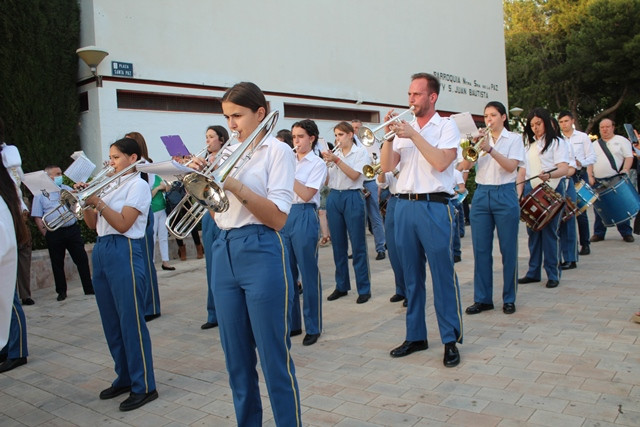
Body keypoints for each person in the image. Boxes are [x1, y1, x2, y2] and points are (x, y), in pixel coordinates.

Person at [206, 82, 300, 426]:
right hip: (223, 249)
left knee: (274, 359)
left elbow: (277, 218)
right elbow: (218, 210)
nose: (231, 124)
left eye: (237, 116)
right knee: (236, 360)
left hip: (260, 248)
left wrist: (235, 185)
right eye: (227, 117)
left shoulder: (278, 151)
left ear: (260, 113)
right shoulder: (229, 151)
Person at [379, 73, 463, 367]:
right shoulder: (406, 128)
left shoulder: (446, 125)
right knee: (411, 277)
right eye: (409, 94)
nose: (411, 100)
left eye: (416, 94)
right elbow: (388, 167)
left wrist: (414, 135)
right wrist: (388, 138)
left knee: (442, 275)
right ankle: (416, 335)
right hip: (403, 205)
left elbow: (441, 162)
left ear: (432, 97)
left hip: (433, 205)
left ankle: (450, 339)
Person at [83, 137, 158, 411]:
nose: (110, 162)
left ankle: (145, 385)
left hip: (125, 249)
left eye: (116, 157)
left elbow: (125, 224)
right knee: (111, 321)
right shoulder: (111, 183)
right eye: (111, 157)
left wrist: (99, 202)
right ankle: (124, 377)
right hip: (103, 248)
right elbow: (93, 225)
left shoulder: (138, 185)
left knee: (130, 321)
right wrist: (88, 204)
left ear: (133, 158)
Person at [461, 101, 525, 316]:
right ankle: (483, 298)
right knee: (480, 250)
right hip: (481, 194)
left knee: (508, 249)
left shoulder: (514, 139)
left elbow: (510, 167)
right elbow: (466, 166)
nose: (489, 119)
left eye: (493, 115)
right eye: (486, 116)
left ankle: (509, 298)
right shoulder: (480, 140)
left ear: (503, 117)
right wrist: (474, 146)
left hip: (505, 192)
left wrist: (490, 149)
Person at [283, 119, 327, 346]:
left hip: (304, 213)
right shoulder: (288, 159)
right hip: (284, 215)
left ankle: (313, 325)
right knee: (287, 274)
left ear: (312, 138)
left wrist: (287, 173)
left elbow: (308, 194)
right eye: (293, 137)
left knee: (308, 273)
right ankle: (293, 323)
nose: (296, 141)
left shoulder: (317, 164)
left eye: (300, 136)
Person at [518, 108, 570, 289]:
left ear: (546, 122)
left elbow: (564, 168)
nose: (535, 128)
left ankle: (553, 274)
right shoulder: (529, 147)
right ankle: (533, 272)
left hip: (552, 190)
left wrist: (550, 174)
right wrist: (519, 194)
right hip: (531, 192)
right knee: (533, 233)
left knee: (550, 234)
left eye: (538, 124)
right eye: (532, 125)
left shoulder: (557, 143)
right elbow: (522, 172)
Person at [322, 121, 372, 304]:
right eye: (335, 135)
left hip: (352, 196)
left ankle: (364, 287)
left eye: (341, 135)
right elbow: (327, 181)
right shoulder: (334, 153)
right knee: (338, 245)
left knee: (358, 244)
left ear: (351, 135)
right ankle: (341, 285)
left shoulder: (360, 153)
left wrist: (336, 161)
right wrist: (325, 164)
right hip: (335, 196)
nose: (337, 139)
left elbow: (354, 175)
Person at [31, 165, 95, 300]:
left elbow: (78, 204)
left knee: (81, 258)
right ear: (49, 177)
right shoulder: (40, 194)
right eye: (57, 174)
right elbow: (37, 216)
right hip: (54, 232)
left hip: (72, 229)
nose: (60, 176)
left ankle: (88, 288)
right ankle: (61, 292)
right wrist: (46, 234)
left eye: (60, 173)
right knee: (57, 262)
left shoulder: (66, 189)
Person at [0, 142, 30, 373]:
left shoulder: (8, 155)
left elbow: (17, 188)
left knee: (8, 295)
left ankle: (18, 349)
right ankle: (5, 344)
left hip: (6, 226)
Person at [125, 132, 161, 321]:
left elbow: (144, 188)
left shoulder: (143, 165)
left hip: (144, 216)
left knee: (147, 262)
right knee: (140, 263)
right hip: (136, 217)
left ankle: (152, 306)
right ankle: (144, 304)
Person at [199, 125, 229, 330]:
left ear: (221, 139)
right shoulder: (203, 160)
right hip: (207, 215)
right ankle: (213, 313)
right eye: (206, 137)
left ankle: (227, 310)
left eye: (211, 137)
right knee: (211, 265)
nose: (208, 140)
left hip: (224, 212)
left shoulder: (227, 157)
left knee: (225, 265)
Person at [588, 118, 635, 243]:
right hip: (598, 179)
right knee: (600, 208)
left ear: (613, 127)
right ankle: (599, 233)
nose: (605, 129)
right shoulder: (594, 145)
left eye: (607, 126)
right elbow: (590, 162)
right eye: (602, 127)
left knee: (620, 205)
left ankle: (626, 233)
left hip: (615, 177)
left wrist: (625, 169)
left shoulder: (621, 141)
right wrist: (590, 176)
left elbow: (629, 157)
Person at [558, 111, 597, 255]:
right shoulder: (558, 138)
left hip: (579, 175)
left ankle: (585, 243)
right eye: (561, 122)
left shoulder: (582, 137)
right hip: (564, 176)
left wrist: (581, 163)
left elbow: (592, 157)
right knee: (565, 212)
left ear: (572, 121)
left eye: (566, 121)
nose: (564, 124)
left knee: (581, 211)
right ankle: (568, 246)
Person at [0, 137, 33, 305]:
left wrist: (23, 211)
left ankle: (25, 294)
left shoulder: (9, 157)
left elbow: (17, 185)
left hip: (16, 214)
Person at [352, 119, 386, 260]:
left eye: (358, 128)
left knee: (375, 216)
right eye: (353, 128)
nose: (355, 131)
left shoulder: (370, 143)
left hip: (369, 182)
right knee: (356, 220)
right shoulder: (348, 145)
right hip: (355, 184)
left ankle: (381, 248)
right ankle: (357, 250)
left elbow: (379, 163)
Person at [377, 168, 406, 307]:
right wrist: (382, 170)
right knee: (393, 248)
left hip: (408, 198)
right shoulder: (390, 159)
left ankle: (412, 290)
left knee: (407, 248)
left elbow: (407, 182)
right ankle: (400, 288)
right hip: (394, 200)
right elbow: (382, 184)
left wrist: (394, 170)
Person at [451, 166, 466, 264]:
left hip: (453, 201)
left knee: (455, 229)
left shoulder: (456, 173)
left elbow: (462, 189)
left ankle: (456, 253)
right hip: (440, 201)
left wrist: (455, 191)